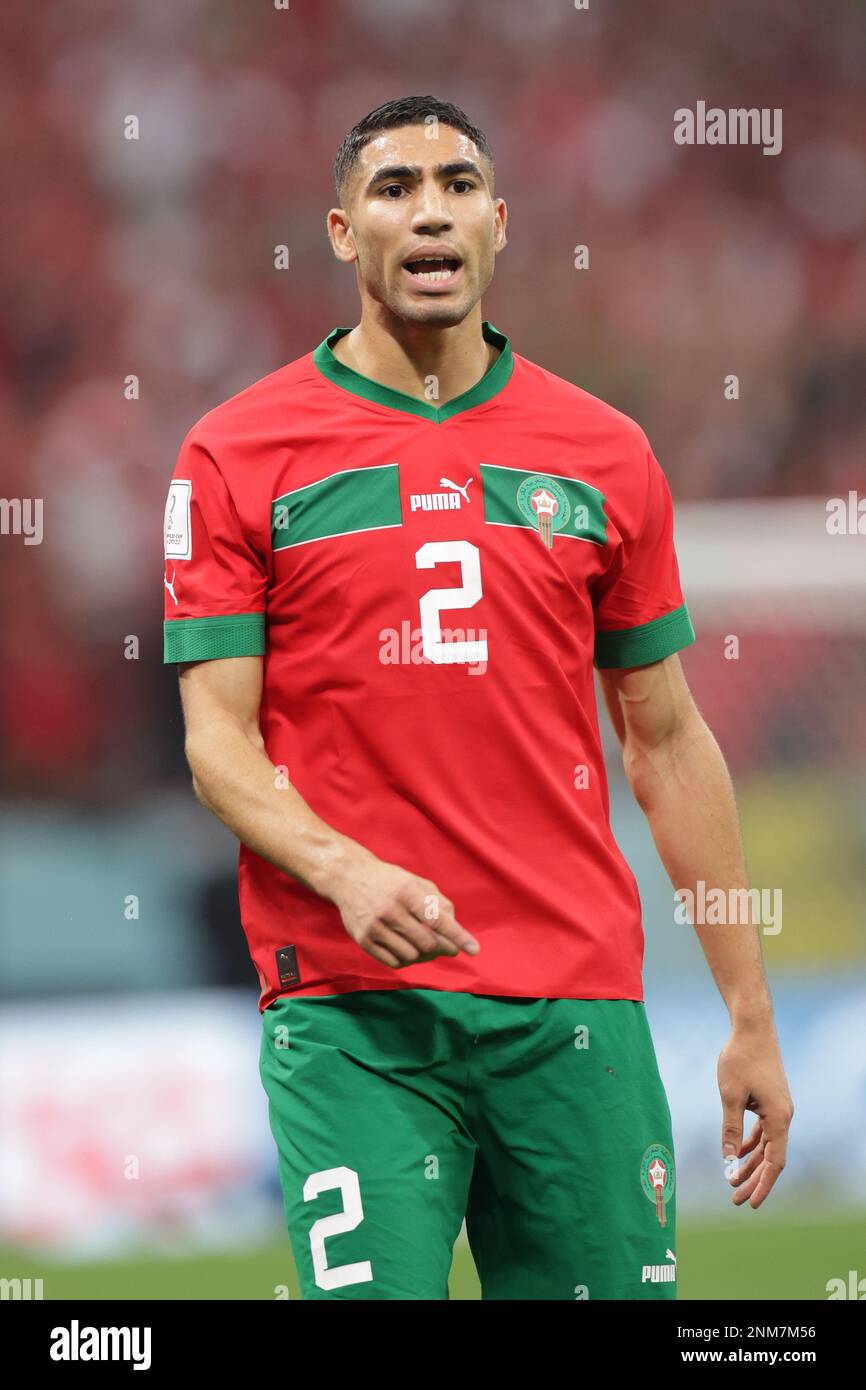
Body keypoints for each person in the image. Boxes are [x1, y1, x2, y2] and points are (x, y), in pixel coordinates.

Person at [162, 95, 793, 1300]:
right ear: (342, 232)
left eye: (456, 184)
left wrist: (746, 1009)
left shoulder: (603, 452)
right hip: (355, 1016)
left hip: (574, 1007)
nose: (429, 209)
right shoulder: (236, 454)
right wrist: (347, 871)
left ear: (498, 225)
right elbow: (217, 745)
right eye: (393, 188)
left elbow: (663, 739)